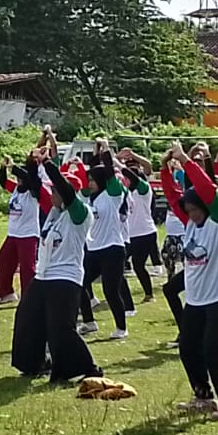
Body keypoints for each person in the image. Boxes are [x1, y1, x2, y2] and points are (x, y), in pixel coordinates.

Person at [161, 144, 218, 419]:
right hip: (196, 299)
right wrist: (164, 169)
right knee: (187, 347)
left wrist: (185, 160)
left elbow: (208, 189)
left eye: (196, 209)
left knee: (213, 349)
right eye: (189, 210)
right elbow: (173, 197)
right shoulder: (190, 224)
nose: (192, 214)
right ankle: (203, 396)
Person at [10, 149, 101, 385]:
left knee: (60, 327)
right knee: (27, 317)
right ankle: (34, 364)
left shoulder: (80, 214)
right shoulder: (53, 212)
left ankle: (86, 368)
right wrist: (33, 163)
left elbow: (66, 191)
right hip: (44, 275)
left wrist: (50, 164)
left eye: (56, 192)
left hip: (65, 277)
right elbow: (34, 185)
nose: (52, 195)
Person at [79, 142, 133, 340]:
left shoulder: (112, 196)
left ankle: (121, 327)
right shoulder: (90, 199)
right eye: (89, 180)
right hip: (93, 249)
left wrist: (107, 154)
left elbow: (110, 174)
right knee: (79, 284)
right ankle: (89, 322)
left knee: (111, 290)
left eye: (93, 180)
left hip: (112, 249)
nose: (90, 183)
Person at [0, 152, 47, 305]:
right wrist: (3, 167)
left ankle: (29, 297)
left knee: (27, 268)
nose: (18, 180)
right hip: (13, 234)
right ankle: (7, 293)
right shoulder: (16, 189)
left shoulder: (33, 192)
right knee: (3, 262)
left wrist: (14, 167)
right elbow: (2, 181)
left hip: (28, 235)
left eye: (20, 178)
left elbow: (31, 180)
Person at [120, 149, 159, 305]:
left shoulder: (144, 190)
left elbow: (132, 174)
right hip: (130, 235)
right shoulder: (126, 192)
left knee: (138, 265)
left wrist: (119, 163)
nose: (125, 180)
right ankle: (122, 297)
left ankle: (149, 294)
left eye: (128, 178)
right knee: (119, 264)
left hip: (145, 234)